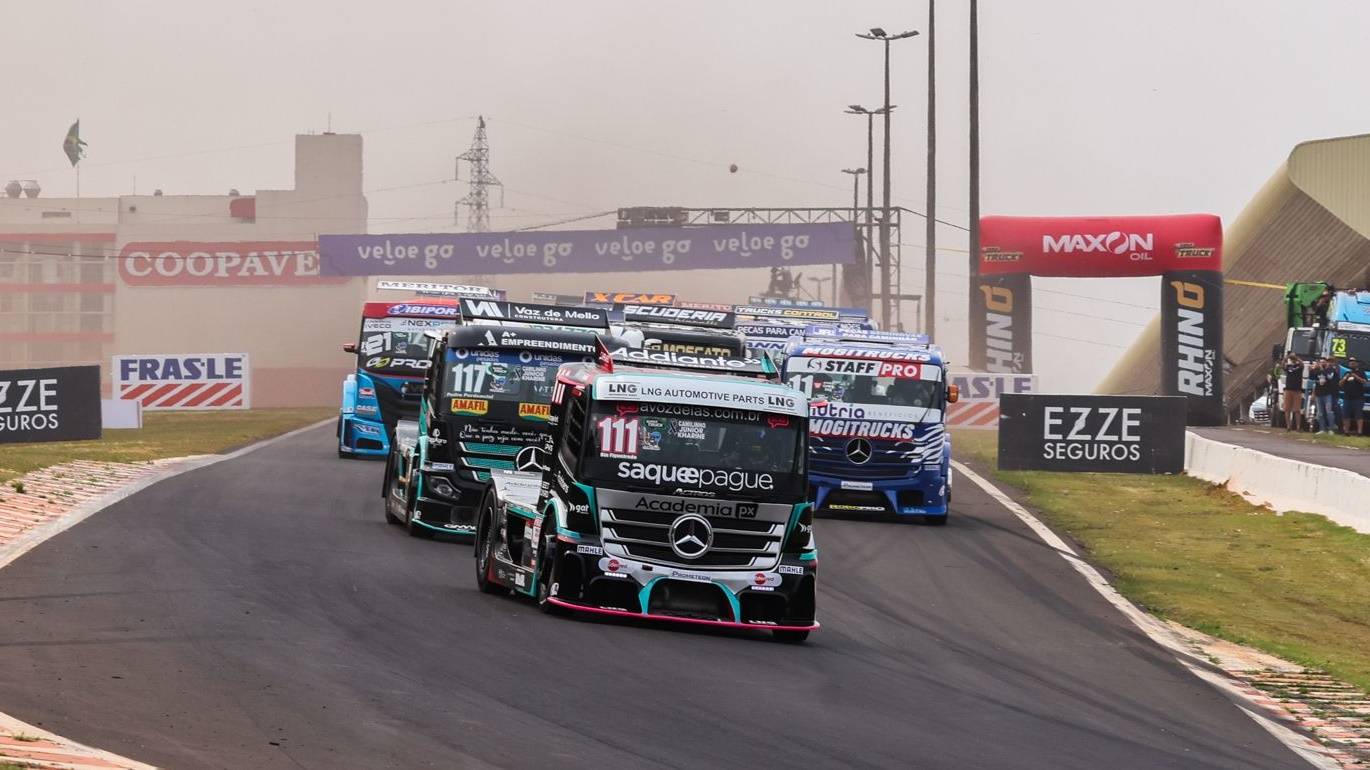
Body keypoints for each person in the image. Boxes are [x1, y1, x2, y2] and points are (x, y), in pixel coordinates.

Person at [1312, 357, 1339, 434]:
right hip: (1319, 394)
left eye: (1324, 362)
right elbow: (1315, 382)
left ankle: (1331, 429)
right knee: (1320, 413)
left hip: (1327, 394)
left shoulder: (1331, 371)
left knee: (1329, 412)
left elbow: (1330, 378)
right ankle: (1322, 429)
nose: (1323, 363)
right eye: (1321, 362)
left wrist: (1322, 370)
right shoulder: (1317, 371)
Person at [1340, 358, 1367, 436]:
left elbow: (1364, 382)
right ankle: (1346, 431)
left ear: (1356, 363)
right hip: (1347, 398)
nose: (1351, 363)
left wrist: (1355, 376)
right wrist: (1345, 378)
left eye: (1353, 362)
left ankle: (1359, 432)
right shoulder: (1346, 373)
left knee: (1358, 415)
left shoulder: (1361, 372)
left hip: (1358, 398)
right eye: (1350, 362)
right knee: (1345, 415)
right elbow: (1340, 384)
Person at [1281, 352, 1305, 431]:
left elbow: (1302, 365)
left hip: (1297, 390)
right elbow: (1282, 366)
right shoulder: (1288, 367)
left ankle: (1298, 427)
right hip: (1288, 389)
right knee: (1287, 409)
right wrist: (1286, 358)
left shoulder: (1299, 366)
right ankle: (1288, 426)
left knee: (1297, 409)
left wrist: (1296, 358)